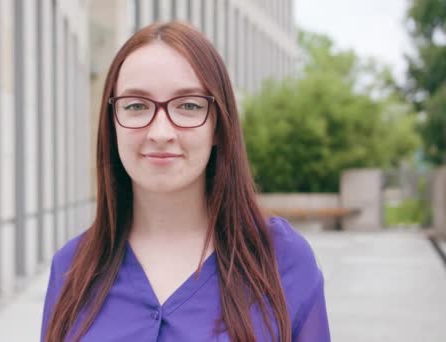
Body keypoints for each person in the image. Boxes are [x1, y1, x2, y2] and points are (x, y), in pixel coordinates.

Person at [40, 22, 330, 342]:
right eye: (136, 105)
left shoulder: (281, 260)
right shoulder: (71, 268)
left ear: (219, 124)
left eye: (188, 105)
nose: (161, 133)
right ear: (112, 124)